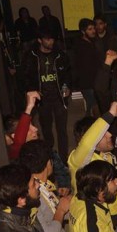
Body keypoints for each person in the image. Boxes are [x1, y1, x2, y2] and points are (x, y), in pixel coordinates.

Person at [68, 101, 117, 232]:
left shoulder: (107, 156)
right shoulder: (80, 162)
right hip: (100, 226)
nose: (110, 135)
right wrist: (110, 114)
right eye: (103, 133)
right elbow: (87, 143)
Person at [18, 140, 72, 232]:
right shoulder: (34, 196)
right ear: (48, 163)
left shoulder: (44, 186)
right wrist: (61, 210)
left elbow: (54, 212)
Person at [23, 28, 72, 159]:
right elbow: (25, 76)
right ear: (40, 40)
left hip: (59, 98)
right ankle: (50, 155)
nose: (51, 42)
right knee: (46, 129)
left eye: (52, 39)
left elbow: (68, 73)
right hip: (42, 99)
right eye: (47, 39)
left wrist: (66, 86)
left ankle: (64, 158)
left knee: (62, 130)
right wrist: (32, 90)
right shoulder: (31, 56)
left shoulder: (60, 55)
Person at [73, 18, 101, 117]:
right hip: (88, 83)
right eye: (90, 29)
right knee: (94, 107)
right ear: (83, 31)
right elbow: (83, 68)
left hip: (95, 82)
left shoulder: (92, 42)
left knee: (92, 107)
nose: (93, 31)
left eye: (93, 28)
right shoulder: (81, 46)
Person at [5, 90, 40, 160]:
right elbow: (19, 141)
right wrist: (29, 108)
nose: (36, 129)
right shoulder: (12, 155)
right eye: (27, 128)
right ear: (14, 136)